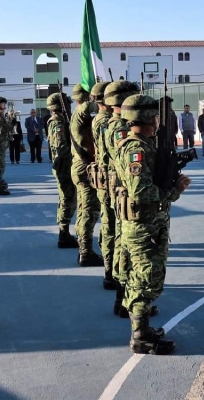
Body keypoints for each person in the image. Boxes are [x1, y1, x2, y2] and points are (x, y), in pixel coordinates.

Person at [115, 93, 191, 355]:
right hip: (144, 226)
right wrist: (173, 190)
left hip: (147, 224)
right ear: (147, 118)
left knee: (142, 277)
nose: (159, 121)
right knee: (144, 279)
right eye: (156, 116)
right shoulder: (136, 149)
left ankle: (143, 329)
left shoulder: (144, 145)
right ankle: (140, 337)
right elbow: (142, 192)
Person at [103, 80, 140, 316]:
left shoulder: (117, 124)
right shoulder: (119, 128)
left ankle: (124, 297)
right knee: (123, 243)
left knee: (122, 241)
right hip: (124, 188)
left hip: (120, 187)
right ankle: (123, 298)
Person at [70, 83, 103, 267]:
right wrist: (97, 95)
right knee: (88, 211)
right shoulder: (82, 109)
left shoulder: (77, 113)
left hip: (80, 166)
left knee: (84, 210)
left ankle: (84, 249)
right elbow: (90, 106)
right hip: (85, 166)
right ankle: (85, 252)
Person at [91, 82, 116, 288]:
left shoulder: (101, 120)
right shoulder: (106, 122)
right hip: (109, 180)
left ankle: (110, 270)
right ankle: (111, 272)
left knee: (109, 226)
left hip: (105, 178)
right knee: (111, 227)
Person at [46, 93, 78, 249]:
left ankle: (64, 232)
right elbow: (61, 148)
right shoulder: (57, 122)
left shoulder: (63, 121)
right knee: (67, 198)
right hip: (64, 166)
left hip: (66, 165)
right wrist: (77, 151)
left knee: (69, 198)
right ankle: (63, 233)